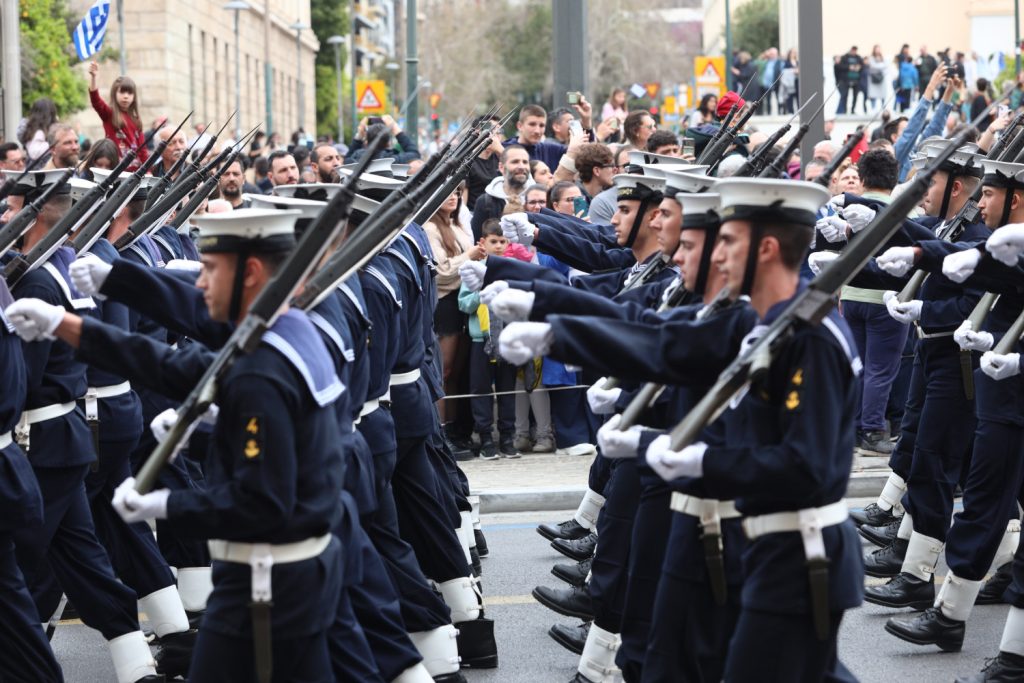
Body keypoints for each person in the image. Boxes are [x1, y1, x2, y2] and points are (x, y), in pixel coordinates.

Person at [458, 219, 519, 459]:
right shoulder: (473, 268)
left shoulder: (514, 269)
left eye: (503, 241)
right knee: (480, 389)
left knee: (507, 389)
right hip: (480, 339)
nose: (499, 246)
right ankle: (485, 438)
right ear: (482, 242)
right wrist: (481, 293)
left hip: (507, 337)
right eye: (494, 241)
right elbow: (464, 303)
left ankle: (507, 438)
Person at [425, 186, 480, 426]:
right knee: (444, 371)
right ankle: (442, 428)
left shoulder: (458, 225)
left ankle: (457, 427)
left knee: (458, 372)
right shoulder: (431, 228)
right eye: (447, 193)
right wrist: (470, 256)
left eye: (456, 193)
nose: (453, 197)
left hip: (464, 301)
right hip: (446, 304)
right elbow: (440, 271)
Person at [87, 62, 149, 170]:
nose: (126, 96)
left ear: (134, 97)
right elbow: (96, 100)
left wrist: (147, 170)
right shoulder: (109, 114)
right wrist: (93, 77)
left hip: (135, 172)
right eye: (122, 92)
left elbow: (142, 149)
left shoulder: (136, 119)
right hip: (115, 170)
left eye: (129, 93)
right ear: (114, 94)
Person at [471, 145, 531, 241]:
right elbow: (478, 242)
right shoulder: (485, 202)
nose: (521, 166)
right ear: (501, 167)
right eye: (515, 162)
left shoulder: (537, 199)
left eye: (525, 162)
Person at [347, 115, 421, 163]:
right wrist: (395, 129)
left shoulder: (356, 158)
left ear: (366, 141)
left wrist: (359, 136)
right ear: (388, 143)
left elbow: (346, 160)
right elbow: (414, 154)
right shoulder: (392, 160)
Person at [838, 46, 865, 115]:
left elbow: (863, 66)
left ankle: (853, 110)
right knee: (845, 95)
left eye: (855, 51)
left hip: (856, 80)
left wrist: (859, 67)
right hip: (846, 80)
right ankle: (845, 110)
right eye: (853, 50)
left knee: (855, 96)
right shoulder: (845, 57)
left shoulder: (858, 58)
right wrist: (849, 67)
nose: (854, 52)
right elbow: (840, 66)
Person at [866, 45, 889, 112]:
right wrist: (882, 66)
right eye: (876, 49)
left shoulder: (883, 58)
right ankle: (873, 109)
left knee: (883, 95)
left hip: (881, 79)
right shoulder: (871, 58)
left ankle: (883, 109)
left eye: (879, 49)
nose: (878, 50)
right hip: (873, 79)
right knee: (874, 95)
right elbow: (873, 66)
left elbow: (886, 66)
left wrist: (880, 66)